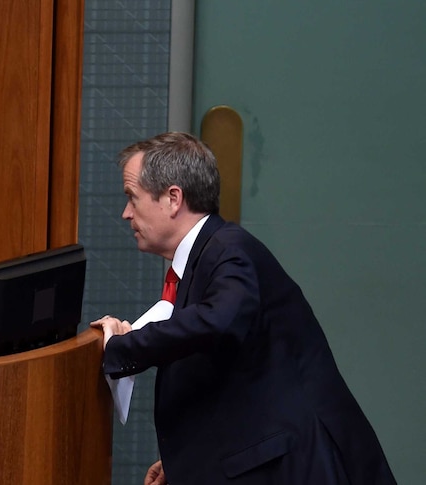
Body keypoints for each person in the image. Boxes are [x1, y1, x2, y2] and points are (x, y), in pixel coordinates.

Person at [90, 132, 395, 484]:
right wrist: (187, 461)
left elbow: (217, 322)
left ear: (173, 198)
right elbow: (231, 376)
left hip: (300, 467)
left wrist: (121, 348)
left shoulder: (228, 250)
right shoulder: (205, 256)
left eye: (132, 197)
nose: (126, 213)